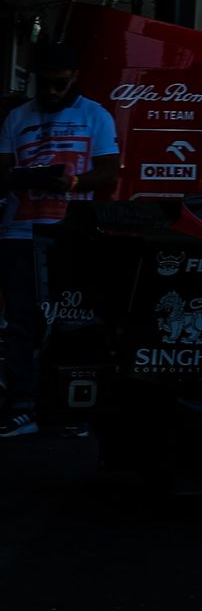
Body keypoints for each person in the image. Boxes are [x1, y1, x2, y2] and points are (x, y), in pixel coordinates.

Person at [0, 40, 120, 438]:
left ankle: (71, 405)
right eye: (45, 84)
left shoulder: (95, 115)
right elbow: (2, 169)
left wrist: (74, 182)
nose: (52, 91)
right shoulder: (17, 117)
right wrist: (23, 177)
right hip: (20, 231)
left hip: (70, 232)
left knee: (74, 318)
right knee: (21, 321)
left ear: (75, 79)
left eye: (61, 84)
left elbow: (109, 171)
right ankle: (22, 405)